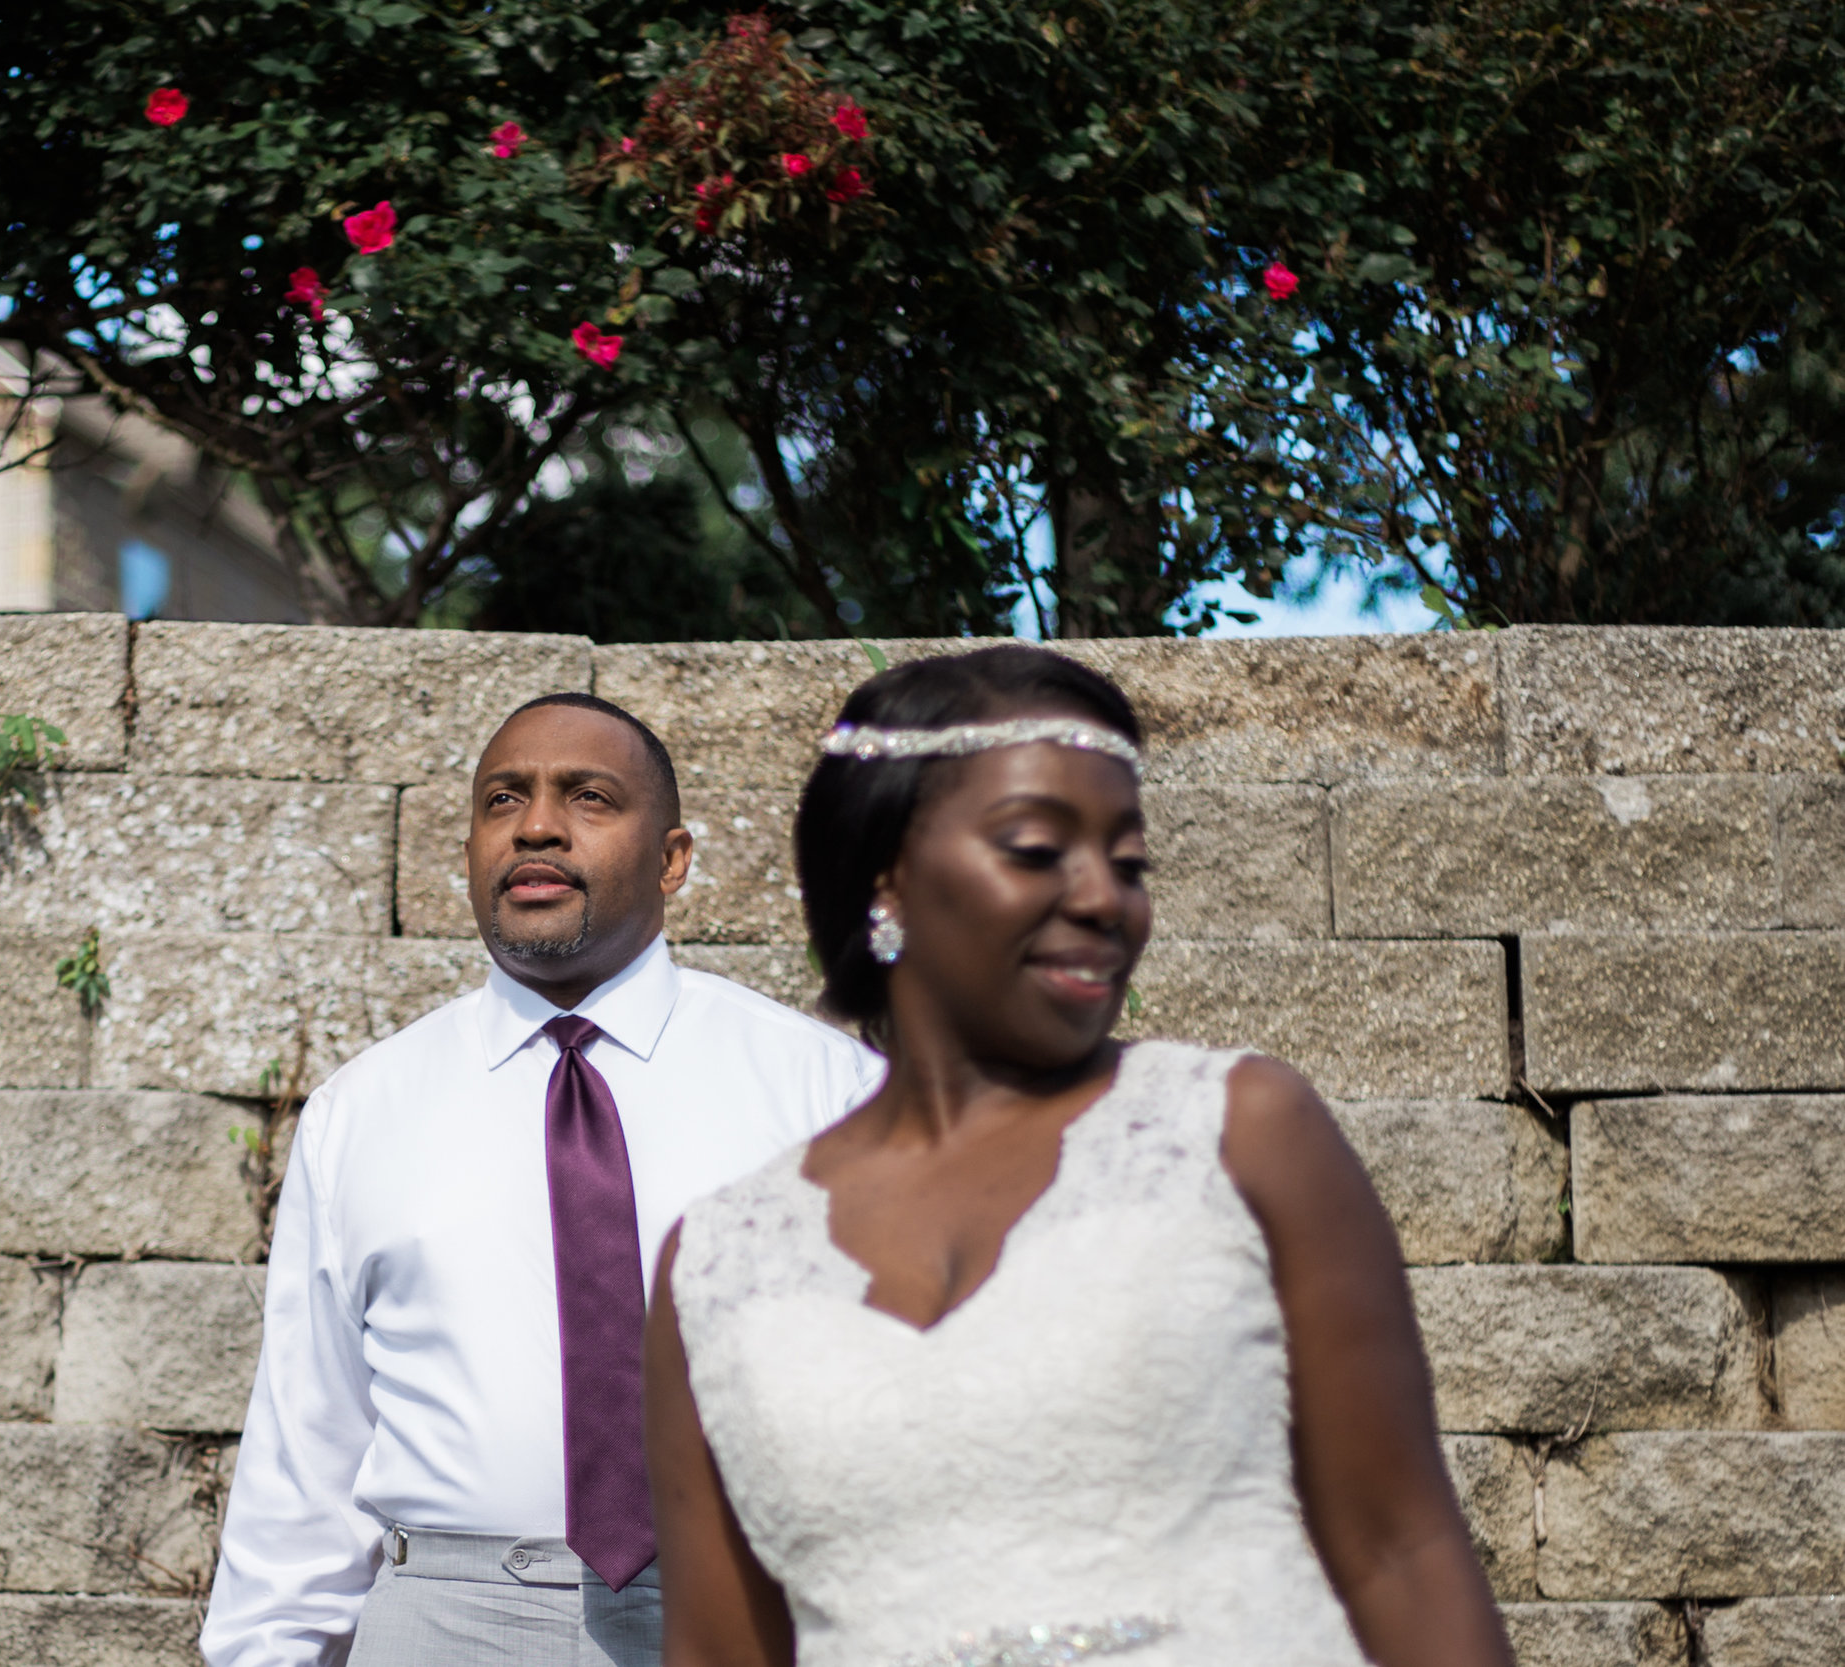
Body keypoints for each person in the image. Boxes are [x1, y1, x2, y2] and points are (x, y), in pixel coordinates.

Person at [643, 646, 1513, 1667]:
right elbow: (717, 1648)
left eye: (1130, 860)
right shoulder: (715, 1263)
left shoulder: (1238, 1130)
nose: (1106, 896)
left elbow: (1399, 1552)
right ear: (888, 879)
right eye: (1035, 847)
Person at [203, 692, 883, 1667]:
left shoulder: (823, 1091)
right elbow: (307, 1434)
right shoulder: (361, 1111)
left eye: (589, 797)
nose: (535, 825)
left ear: (672, 857)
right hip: (439, 1618)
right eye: (501, 799)